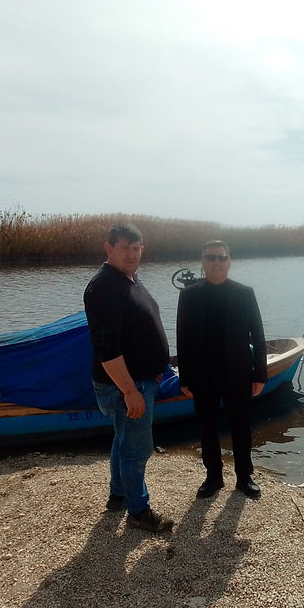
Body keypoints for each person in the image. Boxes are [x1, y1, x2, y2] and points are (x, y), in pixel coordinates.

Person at [83, 223, 174, 532]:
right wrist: (130, 391)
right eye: (125, 248)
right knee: (137, 448)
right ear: (109, 249)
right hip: (126, 385)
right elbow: (107, 348)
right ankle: (139, 511)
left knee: (123, 437)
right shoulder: (104, 286)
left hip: (138, 380)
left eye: (137, 248)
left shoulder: (128, 279)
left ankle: (118, 494)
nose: (133, 254)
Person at [176, 240, 267, 499]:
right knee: (207, 426)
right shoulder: (189, 295)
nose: (216, 262)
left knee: (241, 425)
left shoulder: (244, 293)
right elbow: (182, 337)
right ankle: (213, 476)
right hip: (203, 374)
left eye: (222, 258)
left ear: (229, 262)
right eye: (211, 258)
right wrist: (185, 377)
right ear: (202, 262)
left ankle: (244, 477)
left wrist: (260, 373)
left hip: (238, 372)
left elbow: (258, 336)